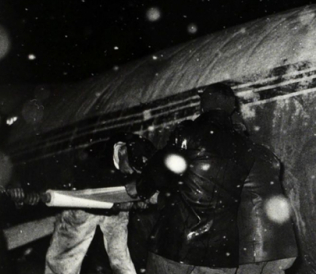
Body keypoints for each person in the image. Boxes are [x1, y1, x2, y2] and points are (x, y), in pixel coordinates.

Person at [132, 83, 298, 274]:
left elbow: (197, 192)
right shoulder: (257, 152)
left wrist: (147, 191)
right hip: (276, 246)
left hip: (249, 248)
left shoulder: (200, 139)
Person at [6, 133, 156, 274]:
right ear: (122, 152)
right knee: (64, 261)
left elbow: (147, 182)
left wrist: (142, 197)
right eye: (131, 168)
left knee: (120, 258)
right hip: (82, 207)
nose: (133, 173)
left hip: (118, 206)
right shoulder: (92, 157)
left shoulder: (139, 151)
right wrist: (116, 205)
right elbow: (77, 188)